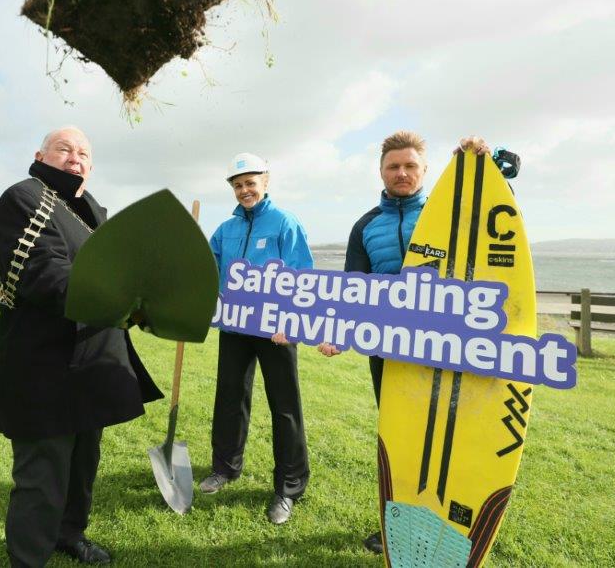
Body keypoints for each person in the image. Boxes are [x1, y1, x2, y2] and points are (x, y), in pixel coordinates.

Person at [0, 126, 162, 567]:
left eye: (84, 153)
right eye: (65, 149)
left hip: (94, 361)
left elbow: (122, 271)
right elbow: (46, 275)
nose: (76, 158)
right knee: (42, 475)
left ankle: (70, 533)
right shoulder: (25, 198)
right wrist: (120, 296)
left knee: (83, 464)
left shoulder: (93, 212)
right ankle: (28, 559)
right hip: (44, 362)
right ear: (40, 154)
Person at [319, 131, 495, 555]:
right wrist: (338, 332)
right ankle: (396, 525)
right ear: (380, 172)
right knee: (399, 439)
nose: (402, 173)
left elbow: (494, 218)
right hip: (387, 348)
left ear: (425, 170)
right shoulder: (365, 225)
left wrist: (482, 164)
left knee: (448, 437)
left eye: (410, 166)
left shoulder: (450, 212)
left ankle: (451, 524)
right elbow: (353, 288)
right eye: (393, 166)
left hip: (444, 347)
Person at [199, 153, 314, 525]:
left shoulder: (284, 222)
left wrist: (293, 321)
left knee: (284, 406)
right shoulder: (224, 230)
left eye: (250, 182)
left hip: (276, 330)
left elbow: (303, 276)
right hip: (235, 327)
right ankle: (225, 467)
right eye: (237, 185)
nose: (244, 190)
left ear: (266, 181)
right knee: (230, 396)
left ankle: (288, 487)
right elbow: (208, 271)